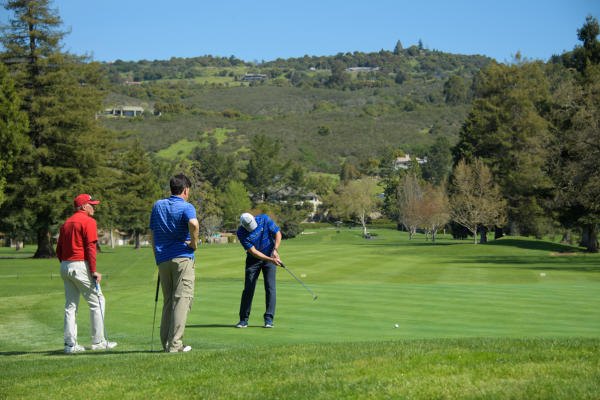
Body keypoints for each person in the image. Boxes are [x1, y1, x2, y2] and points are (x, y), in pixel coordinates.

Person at [56, 194, 117, 354]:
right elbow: (91, 248)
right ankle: (98, 342)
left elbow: (59, 249)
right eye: (92, 204)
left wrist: (65, 264)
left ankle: (70, 345)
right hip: (80, 265)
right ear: (83, 206)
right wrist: (93, 271)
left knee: (70, 306)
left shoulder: (66, 223)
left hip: (65, 265)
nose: (94, 207)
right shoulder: (89, 221)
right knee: (97, 301)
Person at [149, 174, 199, 352]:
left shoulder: (158, 205)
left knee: (168, 301)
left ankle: (166, 344)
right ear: (185, 190)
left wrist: (157, 256)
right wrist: (194, 243)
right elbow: (193, 224)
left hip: (162, 259)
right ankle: (175, 345)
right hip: (182, 258)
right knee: (182, 300)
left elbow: (152, 234)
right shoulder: (187, 207)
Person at [235, 212, 282, 329]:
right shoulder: (241, 232)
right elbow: (254, 252)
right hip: (253, 261)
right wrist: (271, 259)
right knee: (248, 288)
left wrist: (275, 250)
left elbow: (278, 234)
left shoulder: (264, 219)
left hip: (270, 255)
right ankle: (243, 320)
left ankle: (269, 319)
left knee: (270, 287)